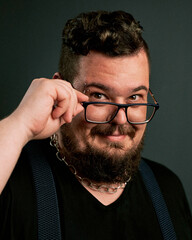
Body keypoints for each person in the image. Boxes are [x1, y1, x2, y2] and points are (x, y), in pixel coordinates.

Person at [0, 10, 191, 240]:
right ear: (60, 90)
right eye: (99, 96)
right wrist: (21, 123)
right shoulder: (12, 178)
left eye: (134, 97)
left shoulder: (166, 188)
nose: (121, 119)